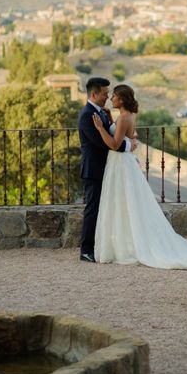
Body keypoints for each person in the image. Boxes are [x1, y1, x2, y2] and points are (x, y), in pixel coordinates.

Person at [91, 84, 187, 269]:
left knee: (122, 203)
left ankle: (125, 246)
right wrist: (111, 120)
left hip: (119, 164)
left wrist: (100, 128)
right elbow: (130, 137)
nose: (111, 99)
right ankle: (125, 244)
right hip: (122, 163)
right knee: (126, 204)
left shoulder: (124, 119)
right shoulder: (127, 117)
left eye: (114, 96)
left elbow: (113, 144)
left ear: (122, 99)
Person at [78, 77, 135, 263]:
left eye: (110, 94)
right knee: (92, 209)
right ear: (94, 94)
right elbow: (104, 144)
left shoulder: (101, 112)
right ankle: (86, 250)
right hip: (94, 169)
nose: (107, 97)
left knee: (109, 209)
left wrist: (110, 123)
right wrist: (128, 145)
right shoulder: (88, 115)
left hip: (110, 169)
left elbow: (113, 133)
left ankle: (104, 246)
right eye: (104, 94)